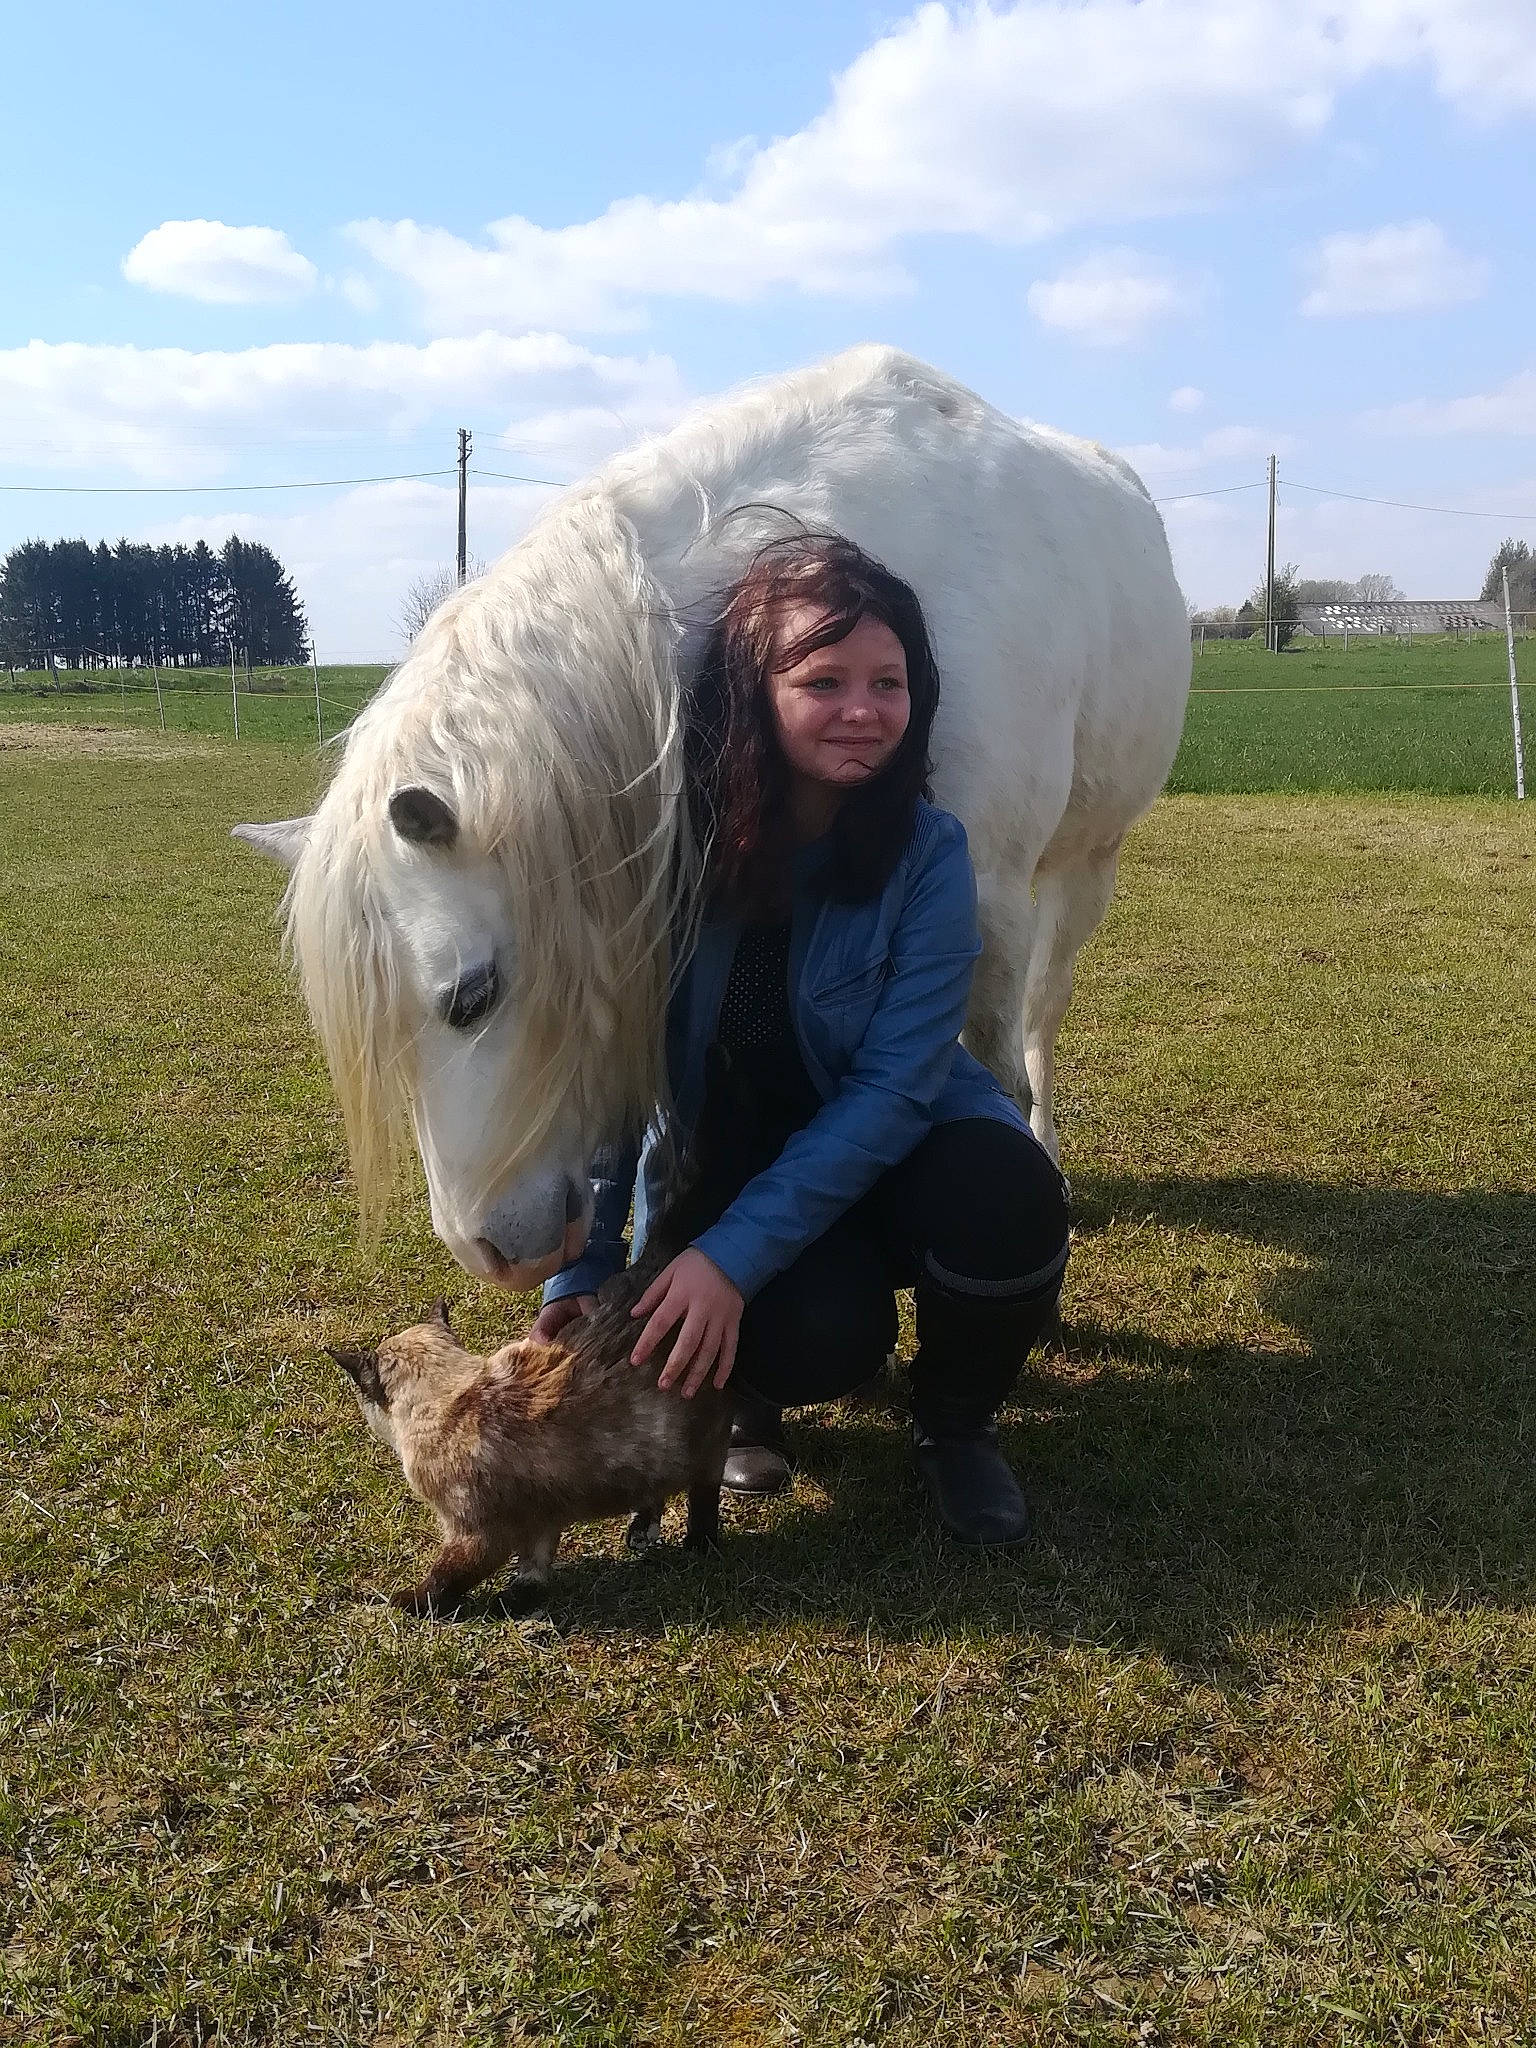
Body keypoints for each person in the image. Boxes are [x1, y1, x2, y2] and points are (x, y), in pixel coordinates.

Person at [529, 534, 1069, 1545]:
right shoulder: (669, 854)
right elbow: (614, 1071)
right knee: (822, 1331)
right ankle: (751, 1392)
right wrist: (586, 1266)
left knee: (1013, 1195)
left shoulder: (929, 854)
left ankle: (955, 1423)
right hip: (729, 1165)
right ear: (751, 687)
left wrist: (732, 1258)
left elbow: (896, 1090)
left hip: (890, 1142)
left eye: (888, 680)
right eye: (823, 678)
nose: (863, 708)